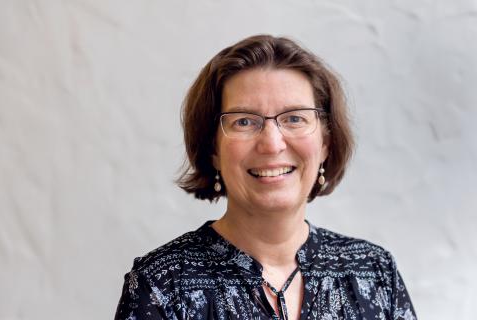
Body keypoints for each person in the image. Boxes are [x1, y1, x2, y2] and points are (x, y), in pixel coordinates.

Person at [114, 34, 417, 320]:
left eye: (294, 118)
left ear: (325, 143)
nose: (272, 144)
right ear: (212, 149)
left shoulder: (375, 272)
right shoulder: (161, 286)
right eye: (244, 121)